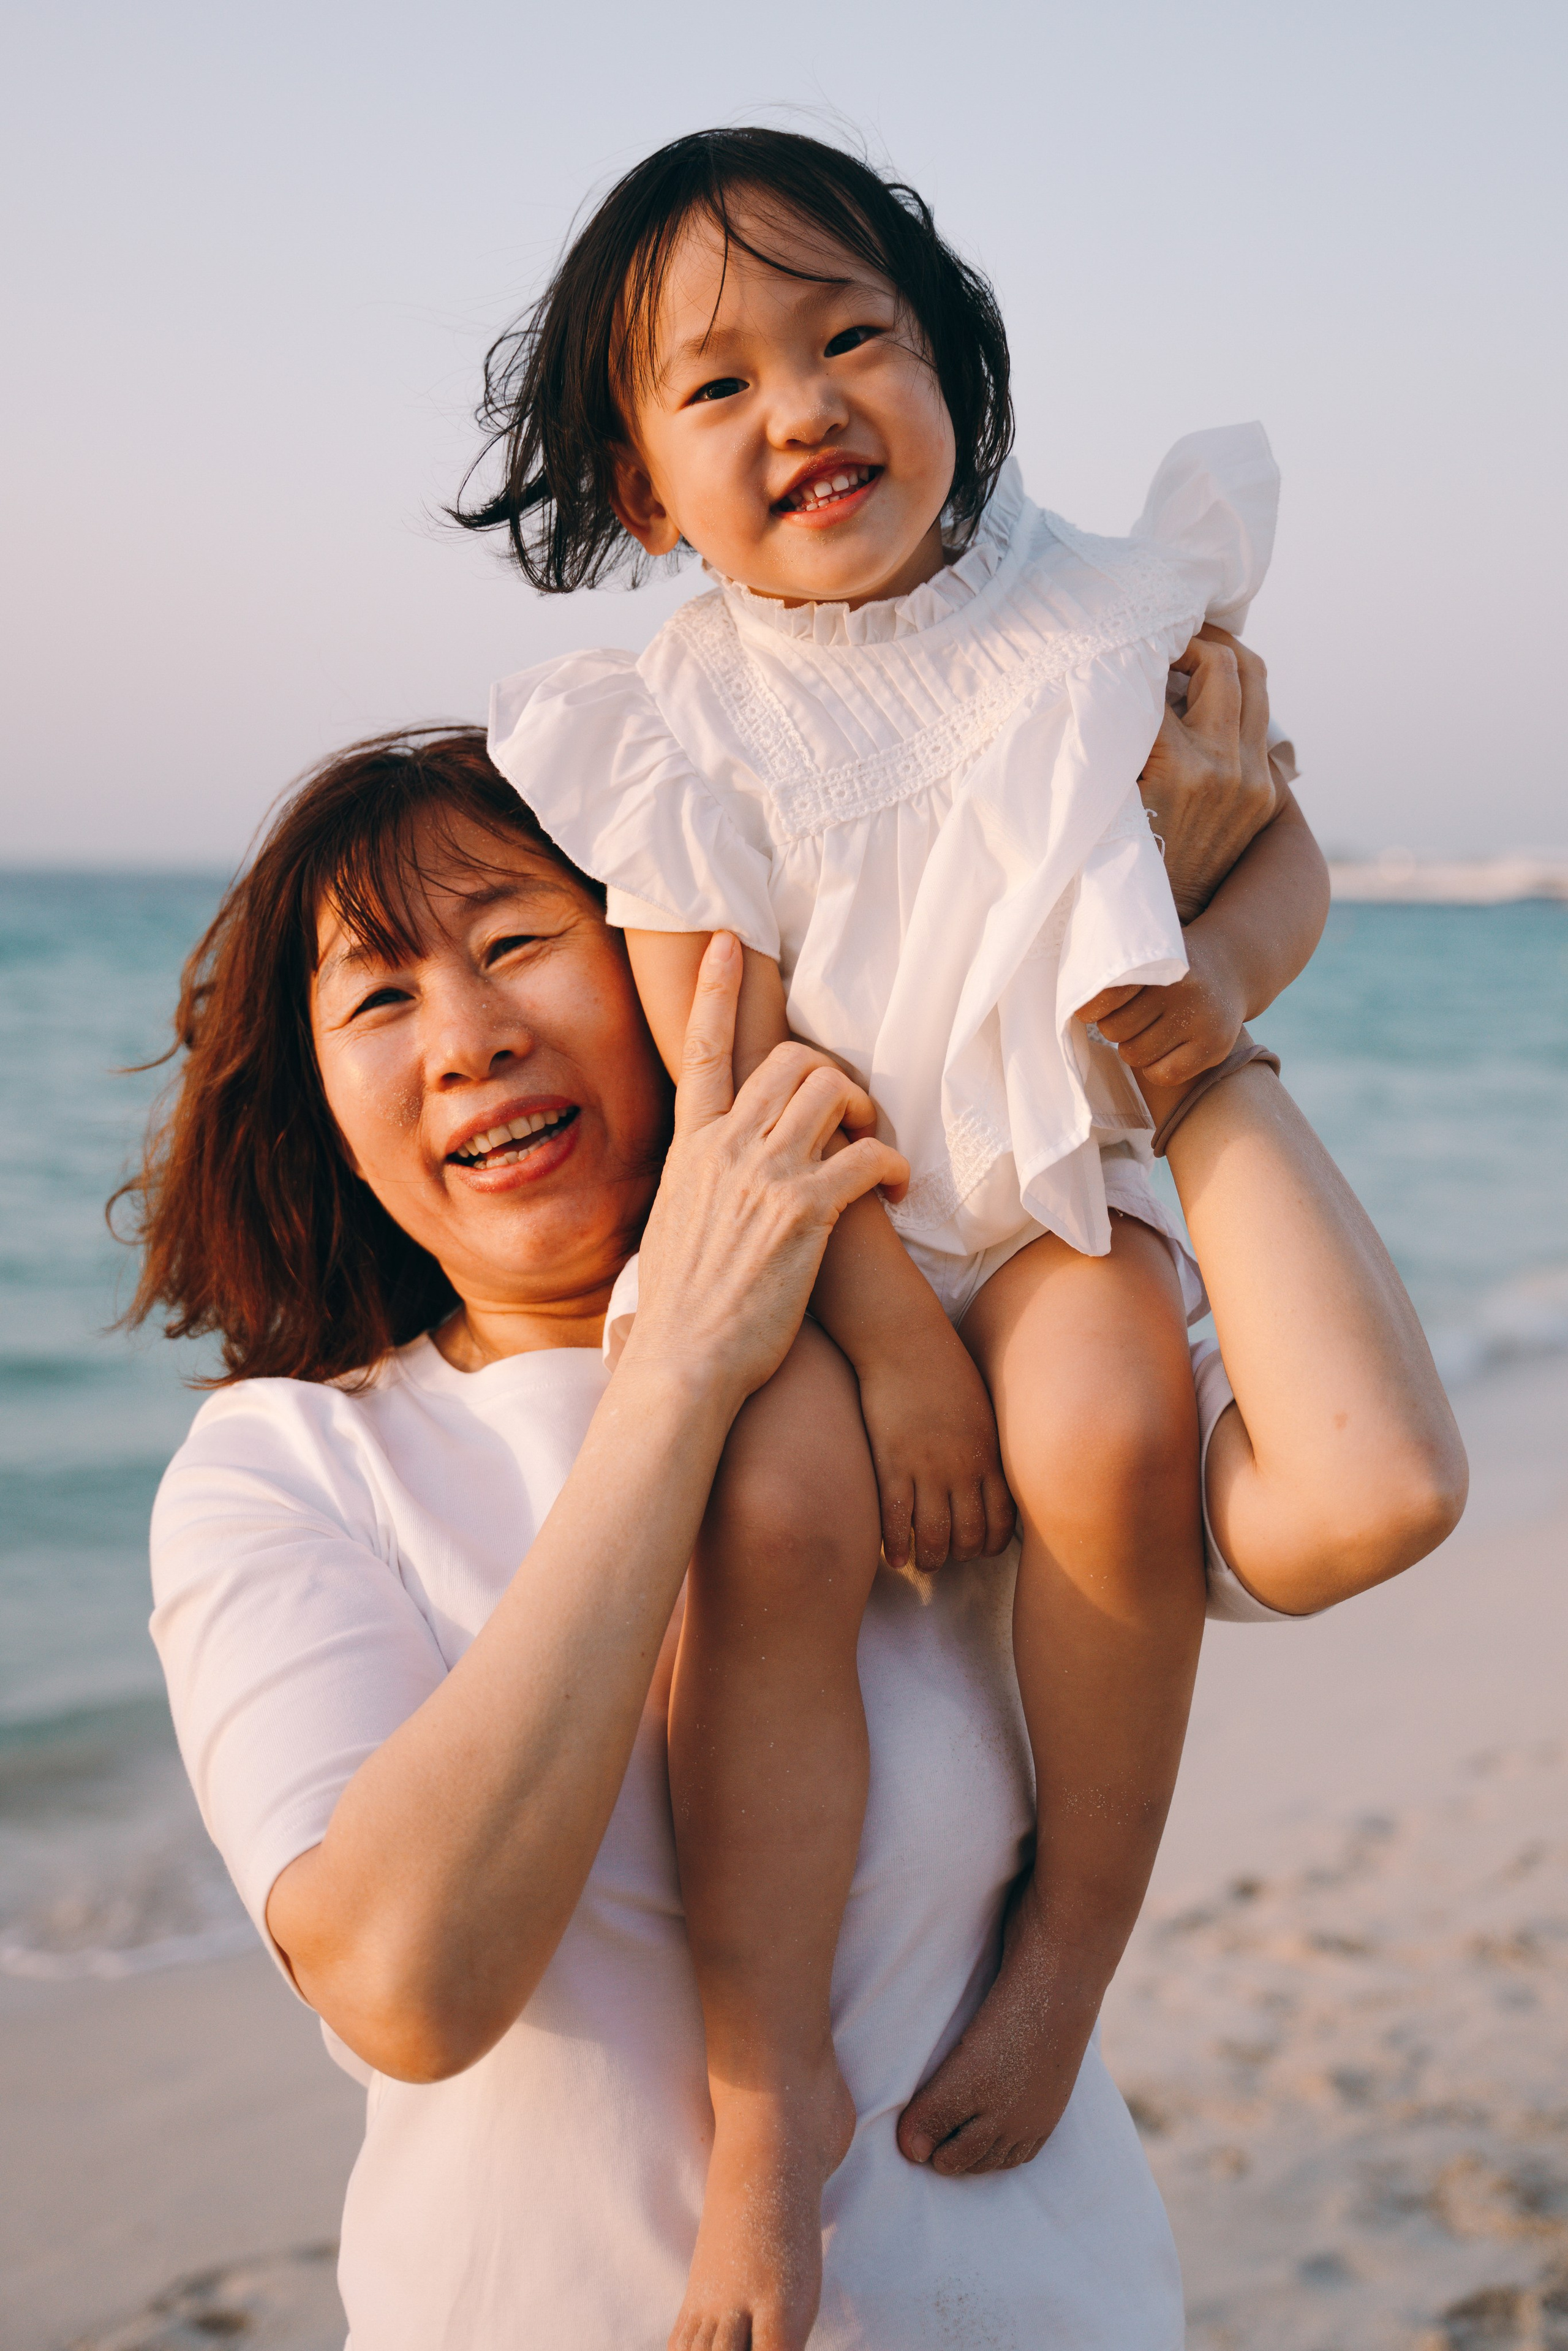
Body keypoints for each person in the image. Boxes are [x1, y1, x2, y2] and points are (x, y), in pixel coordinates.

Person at [132, 727, 1463, 2351]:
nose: (470, 1039)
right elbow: (409, 1983)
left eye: (515, 946)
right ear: (323, 1107)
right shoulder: (291, 1469)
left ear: (675, 973)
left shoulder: (944, 1388)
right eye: (381, 998)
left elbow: (1374, 1482)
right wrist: (679, 1367)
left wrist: (1188, 1033)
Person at [457, 126, 1332, 2345]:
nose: (805, 407)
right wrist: (894, 1347)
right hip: (814, 1234)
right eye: (719, 386)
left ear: (958, 366)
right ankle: (771, 2110)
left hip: (1054, 1180)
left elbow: (1283, 861)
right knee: (772, 1517)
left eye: (853, 337)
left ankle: (1071, 1946)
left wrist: (1217, 996)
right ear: (649, 492)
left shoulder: (1111, 610)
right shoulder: (675, 727)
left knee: (1126, 1426)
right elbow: (726, 1064)